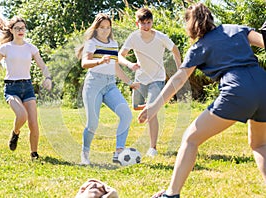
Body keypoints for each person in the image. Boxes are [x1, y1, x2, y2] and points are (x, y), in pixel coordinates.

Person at [138, 3, 266, 197]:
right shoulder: (236, 28)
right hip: (263, 83)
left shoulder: (199, 47)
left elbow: (179, 79)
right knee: (260, 144)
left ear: (190, 26)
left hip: (237, 90)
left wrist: (155, 106)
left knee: (190, 139)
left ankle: (171, 194)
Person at [0, 16, 52, 160]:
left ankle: (34, 154)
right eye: (17, 28)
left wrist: (47, 78)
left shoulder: (31, 48)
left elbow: (43, 66)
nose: (21, 30)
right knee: (22, 115)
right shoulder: (5, 48)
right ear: (12, 30)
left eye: (23, 28)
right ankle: (15, 133)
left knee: (34, 123)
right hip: (12, 88)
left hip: (27, 87)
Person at [76, 13, 140, 165]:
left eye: (108, 27)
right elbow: (84, 63)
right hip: (94, 84)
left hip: (110, 85)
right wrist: (99, 61)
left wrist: (129, 82)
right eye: (102, 27)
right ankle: (85, 153)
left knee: (126, 114)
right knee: (92, 123)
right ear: (96, 28)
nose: (105, 31)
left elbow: (115, 67)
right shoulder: (91, 42)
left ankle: (119, 152)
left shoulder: (113, 43)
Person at [118, 7, 182, 157]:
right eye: (143, 23)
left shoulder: (160, 37)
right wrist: (129, 64)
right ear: (137, 24)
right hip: (140, 79)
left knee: (152, 112)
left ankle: (152, 148)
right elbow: (120, 55)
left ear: (152, 22)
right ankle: (152, 106)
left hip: (157, 78)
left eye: (149, 22)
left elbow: (175, 49)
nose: (146, 26)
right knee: (136, 107)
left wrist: (180, 69)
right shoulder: (133, 37)